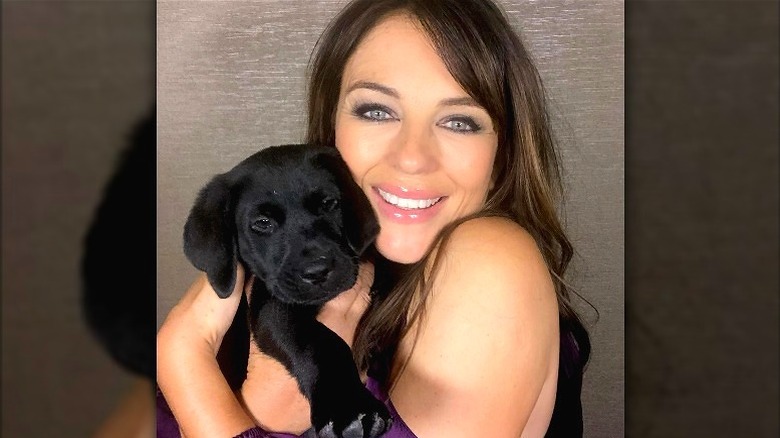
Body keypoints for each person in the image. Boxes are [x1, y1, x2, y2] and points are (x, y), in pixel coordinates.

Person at [157, 0, 591, 437]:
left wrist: (183, 358)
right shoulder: (304, 248)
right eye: (377, 111)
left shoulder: (491, 259)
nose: (412, 158)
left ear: (503, 151)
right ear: (333, 125)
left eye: (460, 121)